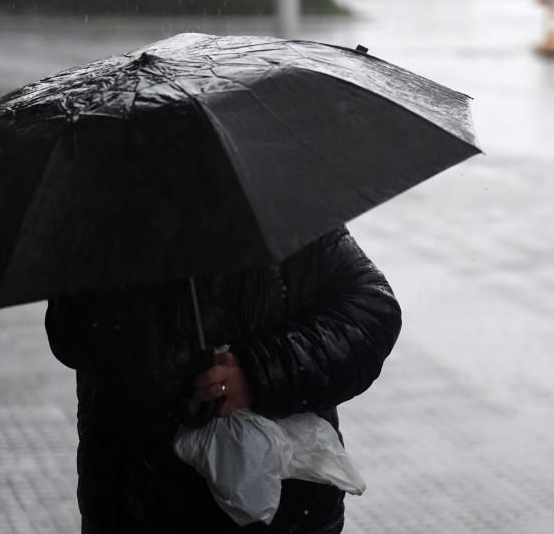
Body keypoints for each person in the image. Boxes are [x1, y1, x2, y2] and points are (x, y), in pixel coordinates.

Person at [45, 225, 402, 533]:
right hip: (137, 504)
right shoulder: (104, 209)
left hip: (281, 513)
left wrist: (259, 371)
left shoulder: (276, 201)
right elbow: (72, 337)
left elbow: (372, 309)